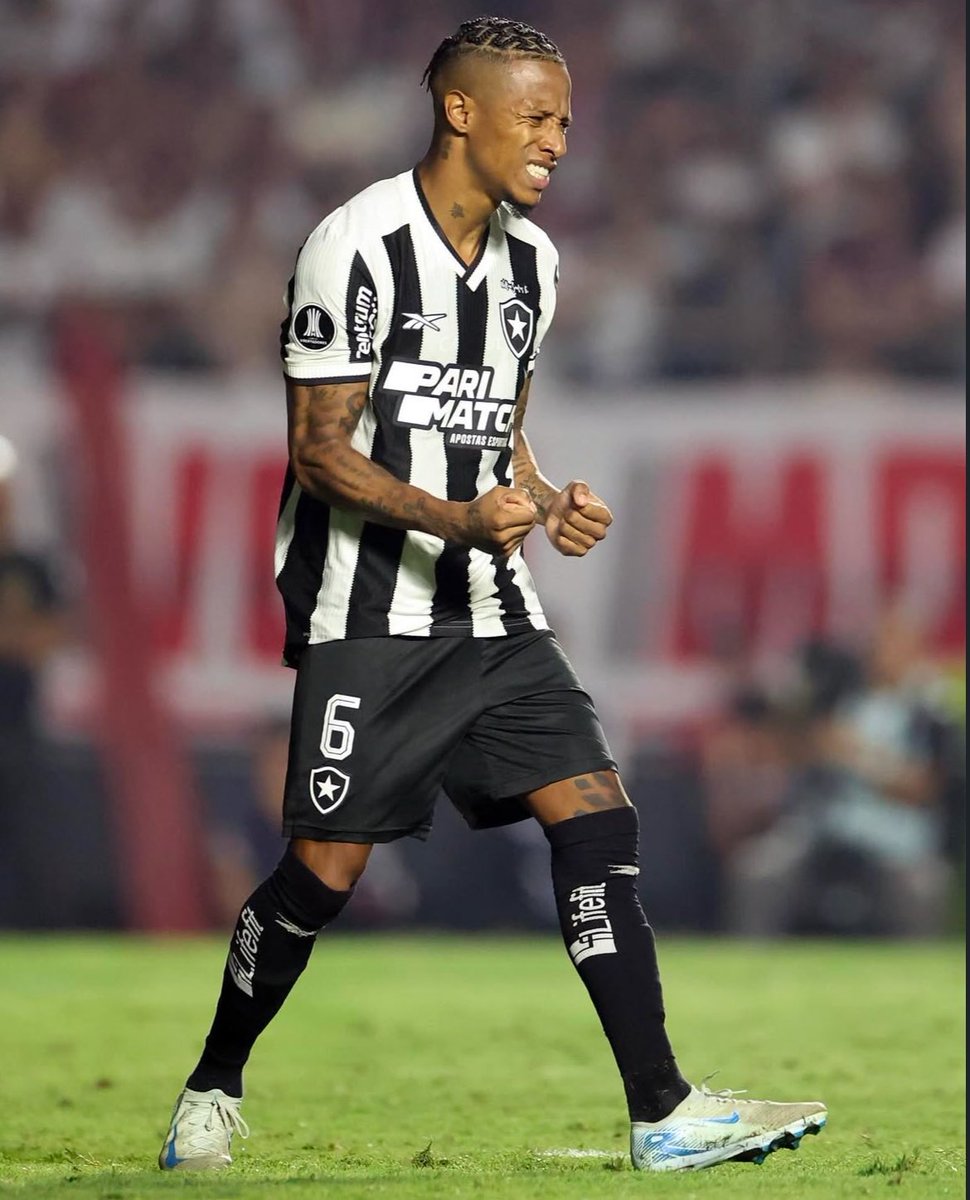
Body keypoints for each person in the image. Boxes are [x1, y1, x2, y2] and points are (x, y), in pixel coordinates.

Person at [159, 17, 826, 1174]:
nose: (559, 140)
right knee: (324, 873)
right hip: (368, 609)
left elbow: (493, 424)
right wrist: (454, 517)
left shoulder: (533, 264)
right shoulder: (353, 246)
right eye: (537, 116)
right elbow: (320, 450)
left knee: (599, 816)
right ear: (461, 111)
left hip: (492, 606)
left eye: (565, 119)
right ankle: (214, 1082)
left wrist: (544, 498)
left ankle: (663, 1111)